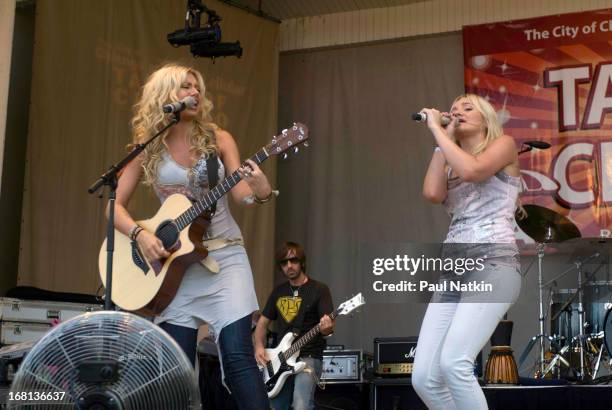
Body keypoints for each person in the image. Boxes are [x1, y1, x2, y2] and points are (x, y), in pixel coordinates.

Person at [108, 63, 271, 409]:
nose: (195, 93)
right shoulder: (148, 146)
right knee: (175, 368)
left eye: (197, 87)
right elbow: (113, 207)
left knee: (238, 356)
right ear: (165, 95)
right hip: (175, 268)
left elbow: (241, 194)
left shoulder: (219, 139)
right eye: (185, 87)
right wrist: (139, 234)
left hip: (225, 258)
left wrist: (260, 190)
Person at [411, 94, 522, 410]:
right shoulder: (449, 158)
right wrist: (440, 139)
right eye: (454, 109)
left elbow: (473, 171)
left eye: (467, 108)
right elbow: (432, 193)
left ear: (486, 118)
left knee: (454, 363)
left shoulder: (504, 145)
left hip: (493, 265)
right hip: (453, 273)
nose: (457, 112)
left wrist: (437, 130)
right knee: (424, 378)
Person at [253, 242, 334, 410]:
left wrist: (326, 327)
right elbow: (262, 323)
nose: (289, 266)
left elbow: (327, 328)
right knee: (277, 406)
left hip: (308, 356)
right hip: (281, 358)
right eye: (284, 263)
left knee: (301, 405)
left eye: (293, 260)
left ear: (302, 262)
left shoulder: (319, 289)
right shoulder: (278, 292)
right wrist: (259, 347)